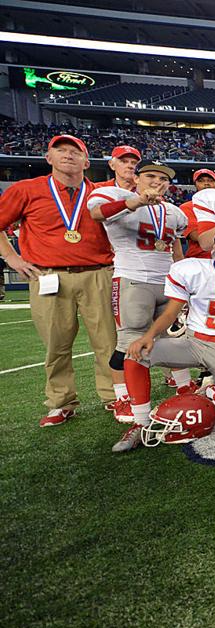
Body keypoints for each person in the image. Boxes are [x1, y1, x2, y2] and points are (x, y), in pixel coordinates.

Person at [0, 134, 119, 427]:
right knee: (56, 343)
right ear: (48, 158)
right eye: (60, 150)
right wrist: (11, 258)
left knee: (107, 341)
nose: (68, 155)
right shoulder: (27, 189)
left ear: (86, 161)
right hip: (48, 274)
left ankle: (115, 395)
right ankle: (61, 401)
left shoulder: (99, 194)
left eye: (75, 151)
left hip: (97, 274)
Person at [120, 223, 215, 451]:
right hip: (194, 342)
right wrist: (149, 336)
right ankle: (140, 421)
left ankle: (210, 390)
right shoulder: (194, 270)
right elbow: (171, 312)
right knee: (136, 354)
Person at [86, 159, 192, 423]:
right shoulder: (117, 195)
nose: (157, 182)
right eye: (151, 176)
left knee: (172, 339)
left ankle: (184, 388)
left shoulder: (173, 211)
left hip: (166, 281)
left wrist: (180, 276)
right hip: (133, 278)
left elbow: (174, 246)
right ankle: (124, 398)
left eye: (163, 179)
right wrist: (136, 202)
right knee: (129, 339)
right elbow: (96, 213)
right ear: (137, 178)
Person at [180, 168, 215, 259]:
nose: (206, 183)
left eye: (210, 180)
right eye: (201, 181)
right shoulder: (187, 207)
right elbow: (197, 236)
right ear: (196, 185)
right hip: (200, 258)